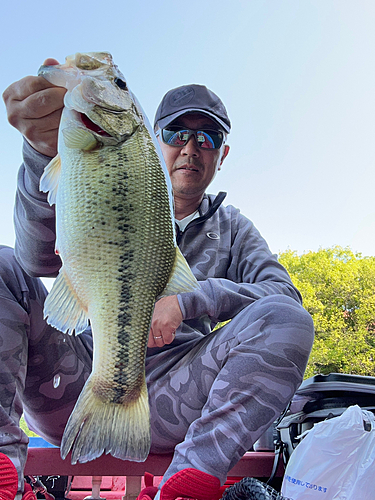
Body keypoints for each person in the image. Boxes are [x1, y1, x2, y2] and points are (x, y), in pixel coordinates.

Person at [1, 59, 315, 500]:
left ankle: (188, 483)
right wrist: (40, 153)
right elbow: (35, 260)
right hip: (73, 388)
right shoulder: (89, 170)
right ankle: (3, 472)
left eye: (207, 137)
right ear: (154, 138)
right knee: (2, 265)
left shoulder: (233, 229)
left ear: (221, 154)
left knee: (287, 318)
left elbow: (284, 296)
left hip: (178, 401)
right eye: (176, 133)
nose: (190, 147)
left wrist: (189, 301)